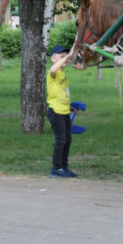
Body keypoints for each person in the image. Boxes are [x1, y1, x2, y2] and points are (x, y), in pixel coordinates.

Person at [46, 45, 77, 178]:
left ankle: (64, 167)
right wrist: (68, 56)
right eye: (62, 57)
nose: (65, 60)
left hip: (64, 111)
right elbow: (53, 69)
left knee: (67, 140)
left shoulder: (62, 74)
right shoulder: (53, 72)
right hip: (55, 111)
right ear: (53, 58)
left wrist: (70, 107)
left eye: (66, 57)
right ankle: (56, 168)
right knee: (61, 140)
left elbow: (61, 92)